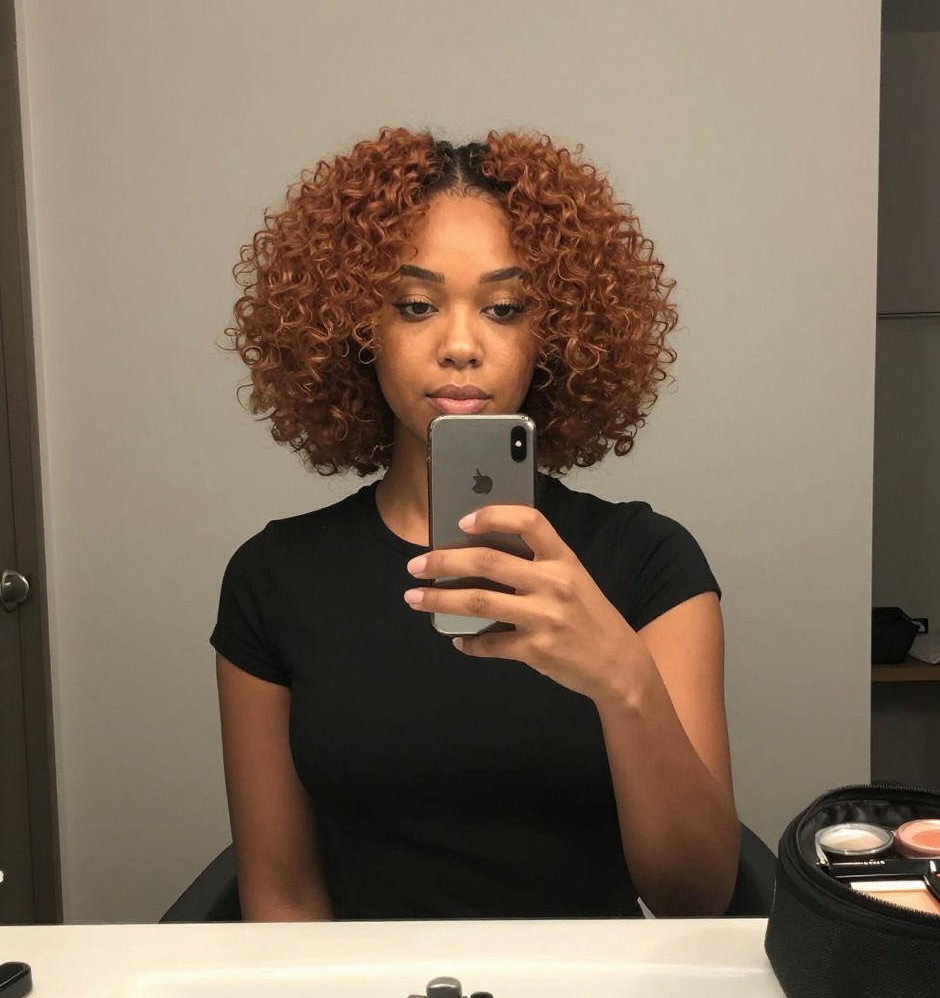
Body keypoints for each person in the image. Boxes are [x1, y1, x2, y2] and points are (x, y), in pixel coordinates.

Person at [211, 126, 740, 922]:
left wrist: (623, 679)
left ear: (552, 334)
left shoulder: (647, 561)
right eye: (416, 305)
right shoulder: (274, 578)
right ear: (361, 329)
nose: (460, 345)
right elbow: (282, 896)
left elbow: (697, 896)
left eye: (503, 307)